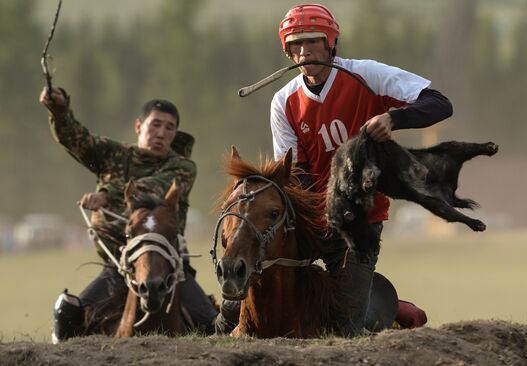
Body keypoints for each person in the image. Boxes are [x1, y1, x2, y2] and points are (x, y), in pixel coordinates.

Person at [218, 4, 452, 336]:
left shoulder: (367, 75)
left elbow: (440, 103)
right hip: (312, 219)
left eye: (313, 41)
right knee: (234, 303)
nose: (304, 51)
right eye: (295, 45)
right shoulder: (283, 102)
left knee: (344, 325)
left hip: (361, 222)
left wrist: (394, 119)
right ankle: (218, 326)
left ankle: (390, 308)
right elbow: (296, 175)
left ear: (330, 43)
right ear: (288, 53)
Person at [40, 87, 218, 343]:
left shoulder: (182, 167)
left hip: (169, 268)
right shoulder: (114, 154)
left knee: (215, 324)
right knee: (66, 313)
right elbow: (76, 139)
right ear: (138, 125)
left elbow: (153, 188)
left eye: (170, 128)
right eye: (155, 124)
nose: (161, 133)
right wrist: (59, 110)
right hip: (118, 267)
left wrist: (107, 194)